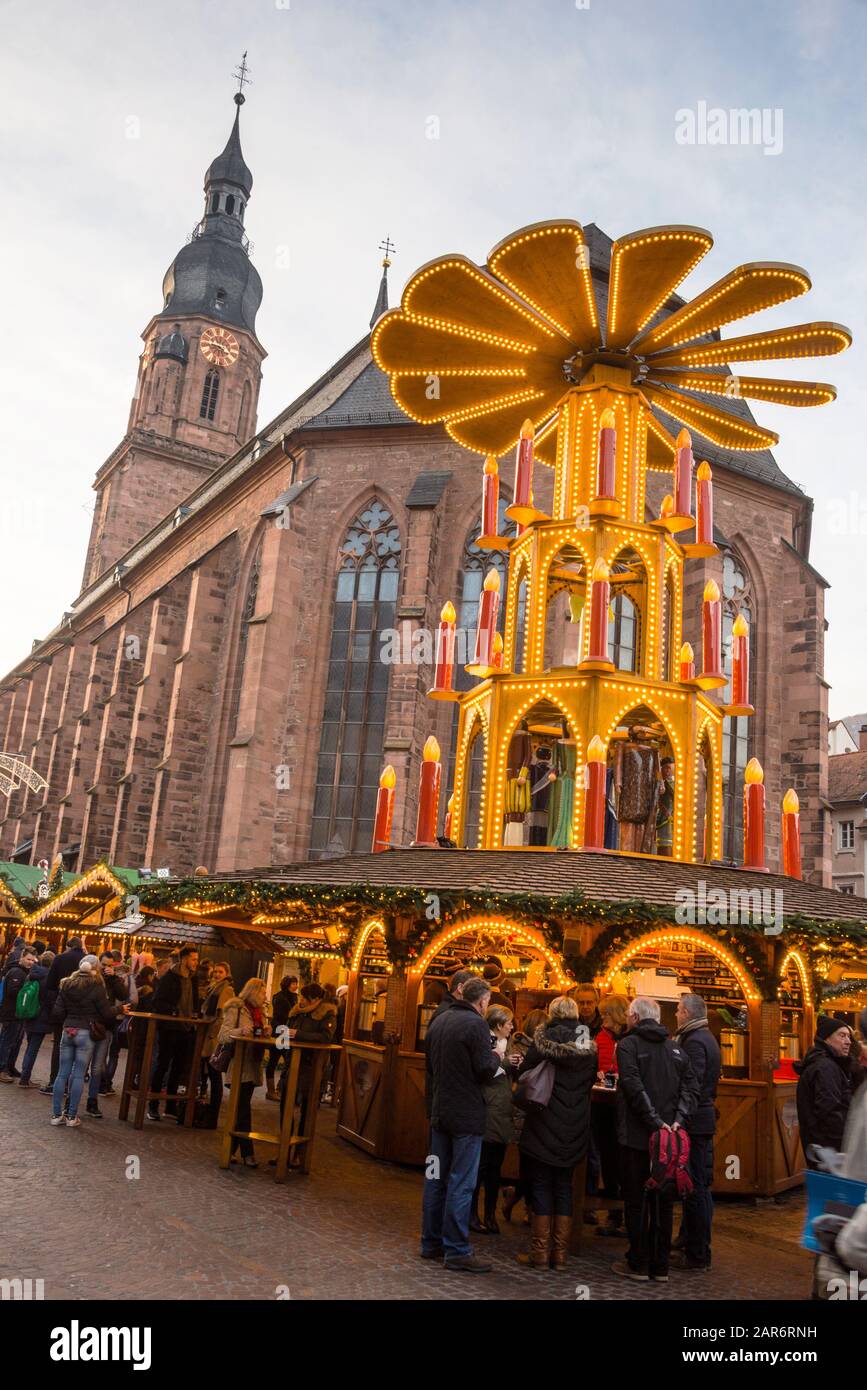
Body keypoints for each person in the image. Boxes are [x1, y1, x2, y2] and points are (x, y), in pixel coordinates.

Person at [613, 996, 698, 1283]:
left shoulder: (627, 1045)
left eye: (628, 1015)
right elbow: (691, 1088)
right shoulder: (676, 1049)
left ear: (635, 1018)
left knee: (636, 1199)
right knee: (663, 1200)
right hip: (669, 1139)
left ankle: (638, 1261)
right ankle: (660, 1265)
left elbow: (632, 1085)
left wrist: (655, 1121)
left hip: (638, 1136)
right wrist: (676, 1121)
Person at [421, 976, 498, 1273]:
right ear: (482, 1002)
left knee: (435, 1178)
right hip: (465, 1117)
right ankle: (456, 1249)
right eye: (488, 1002)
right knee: (461, 1181)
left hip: (439, 1113)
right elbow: (483, 1070)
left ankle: (431, 1243)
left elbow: (430, 1066)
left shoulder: (439, 1020)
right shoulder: (475, 1024)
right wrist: (496, 1056)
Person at [517, 995, 597, 1270]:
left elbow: (525, 1073)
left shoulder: (544, 1039)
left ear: (552, 1013)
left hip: (543, 1119)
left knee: (540, 1183)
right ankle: (559, 1255)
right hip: (575, 1125)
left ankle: (539, 1253)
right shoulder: (588, 1042)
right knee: (564, 1185)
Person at [673, 992, 721, 1271]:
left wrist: (680, 1116)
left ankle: (698, 1253)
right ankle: (691, 1241)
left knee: (695, 1188)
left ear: (688, 1013)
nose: (677, 1014)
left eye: (679, 1010)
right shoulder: (705, 1037)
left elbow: (693, 1083)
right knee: (699, 1186)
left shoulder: (694, 1041)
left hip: (695, 1122)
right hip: (701, 1118)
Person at [50, 955, 126, 1127]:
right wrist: (120, 1008)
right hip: (85, 1032)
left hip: (68, 1030)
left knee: (62, 1074)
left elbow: (57, 1012)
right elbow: (106, 1013)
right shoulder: (97, 986)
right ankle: (71, 1116)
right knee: (78, 1075)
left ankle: (56, 1115)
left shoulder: (66, 984)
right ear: (95, 968)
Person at [470, 1004, 518, 1235]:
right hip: (489, 1110)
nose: (512, 1026)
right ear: (498, 1025)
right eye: (509, 1022)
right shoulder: (487, 1043)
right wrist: (508, 1063)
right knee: (482, 1167)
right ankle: (474, 1215)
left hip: (500, 1111)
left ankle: (489, 1214)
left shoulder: (505, 1044)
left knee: (494, 1169)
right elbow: (485, 1072)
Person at [214, 976, 270, 1166]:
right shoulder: (236, 1007)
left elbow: (258, 1033)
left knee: (241, 1108)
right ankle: (248, 1153)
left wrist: (265, 1031)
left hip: (252, 1065)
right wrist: (241, 1031)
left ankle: (230, 1150)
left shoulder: (260, 1012)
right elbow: (223, 1035)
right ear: (254, 991)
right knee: (243, 1108)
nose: (264, 996)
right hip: (238, 1065)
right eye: (262, 992)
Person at [501, 1006, 548, 1224]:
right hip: (529, 1110)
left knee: (529, 1162)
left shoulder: (516, 1044)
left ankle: (517, 1196)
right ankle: (528, 1206)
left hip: (521, 1107)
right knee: (531, 1162)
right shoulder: (539, 1049)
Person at [590, 993, 629, 1238]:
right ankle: (613, 1213)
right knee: (606, 1157)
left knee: (623, 1159)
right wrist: (598, 1074)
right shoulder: (600, 1037)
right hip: (601, 1103)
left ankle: (623, 1214)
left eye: (605, 1013)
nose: (602, 1018)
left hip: (622, 1106)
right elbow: (596, 1064)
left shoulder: (629, 1039)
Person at [147, 944, 200, 1122]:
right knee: (162, 1064)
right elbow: (158, 1001)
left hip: (186, 1028)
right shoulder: (170, 977)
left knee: (178, 1067)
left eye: (197, 959)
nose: (195, 963)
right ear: (184, 959)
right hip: (170, 1028)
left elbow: (194, 1001)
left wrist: (194, 1015)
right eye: (193, 959)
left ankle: (170, 1106)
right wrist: (173, 1012)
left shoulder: (193, 979)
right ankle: (153, 1105)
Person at [281, 983, 338, 1136]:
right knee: (285, 1106)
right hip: (291, 1063)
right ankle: (285, 1144)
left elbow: (326, 1037)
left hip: (310, 1065)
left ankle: (299, 1151)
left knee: (307, 1109)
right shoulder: (298, 1012)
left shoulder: (327, 1014)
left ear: (315, 999)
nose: (301, 1000)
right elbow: (286, 1033)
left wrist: (298, 1034)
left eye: (304, 997)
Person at [795, 1014, 853, 1165]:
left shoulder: (828, 1064)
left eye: (848, 1037)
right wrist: (846, 1146)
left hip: (823, 1151)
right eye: (842, 1036)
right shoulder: (825, 1067)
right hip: (829, 1152)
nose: (848, 1042)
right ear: (826, 1038)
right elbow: (829, 1112)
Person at [85, 952, 134, 1115]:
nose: (106, 968)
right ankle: (71, 1101)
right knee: (82, 1066)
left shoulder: (113, 979)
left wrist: (113, 978)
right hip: (88, 1025)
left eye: (109, 965)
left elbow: (124, 995)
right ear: (98, 963)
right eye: (103, 964)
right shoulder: (89, 977)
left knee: (98, 1067)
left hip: (105, 1027)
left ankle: (92, 1101)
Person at [41, 935, 86, 1092]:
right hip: (82, 1013)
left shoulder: (60, 958)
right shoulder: (87, 960)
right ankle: (71, 1085)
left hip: (61, 1011)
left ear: (68, 946)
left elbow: (49, 985)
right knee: (79, 1050)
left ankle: (55, 1081)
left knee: (59, 1046)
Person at [202, 961, 235, 1126]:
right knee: (209, 1075)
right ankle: (208, 1112)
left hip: (214, 1037)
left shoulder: (226, 989)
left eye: (220, 972)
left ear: (227, 973)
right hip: (209, 1034)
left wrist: (214, 1033)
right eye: (215, 971)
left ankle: (212, 1116)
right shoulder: (214, 987)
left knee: (214, 1076)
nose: (216, 974)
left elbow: (223, 1015)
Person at [18, 950, 56, 1086]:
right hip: (43, 1016)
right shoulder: (50, 978)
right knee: (33, 1048)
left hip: (29, 1014)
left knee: (29, 1046)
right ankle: (25, 1078)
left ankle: (24, 1074)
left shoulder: (31, 975)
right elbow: (51, 1000)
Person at [0, 945, 38, 1080]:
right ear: (22, 957)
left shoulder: (24, 972)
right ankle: (2, 1068)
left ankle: (10, 1066)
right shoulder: (16, 972)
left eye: (33, 960)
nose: (31, 963)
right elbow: (12, 992)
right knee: (7, 1041)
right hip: (11, 1013)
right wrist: (27, 993)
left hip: (19, 1013)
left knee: (16, 1042)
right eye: (29, 959)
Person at [266, 975, 298, 1100]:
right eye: (293, 983)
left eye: (296, 983)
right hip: (280, 1032)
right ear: (287, 984)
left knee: (288, 1062)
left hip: (287, 1032)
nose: (295, 985)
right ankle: (271, 1090)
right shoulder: (280, 998)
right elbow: (281, 1016)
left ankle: (279, 1088)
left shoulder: (294, 997)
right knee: (275, 1060)